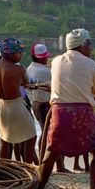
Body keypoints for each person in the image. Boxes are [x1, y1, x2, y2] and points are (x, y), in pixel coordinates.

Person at [35, 29, 95, 189]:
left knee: (51, 152)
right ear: (81, 45)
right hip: (83, 112)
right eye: (89, 43)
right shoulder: (91, 64)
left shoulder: (56, 61)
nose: (91, 47)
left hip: (59, 112)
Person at [0, 38, 38, 163]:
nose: (20, 55)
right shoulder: (19, 68)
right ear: (9, 53)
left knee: (5, 139)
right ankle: (27, 166)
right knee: (31, 136)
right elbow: (26, 84)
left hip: (1, 105)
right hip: (16, 104)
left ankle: (4, 167)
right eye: (18, 53)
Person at [26, 43, 69, 173]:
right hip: (46, 104)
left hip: (36, 102)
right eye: (44, 57)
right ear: (40, 57)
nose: (46, 59)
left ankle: (42, 162)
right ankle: (57, 165)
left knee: (46, 133)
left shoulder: (29, 68)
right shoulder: (45, 71)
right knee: (51, 134)